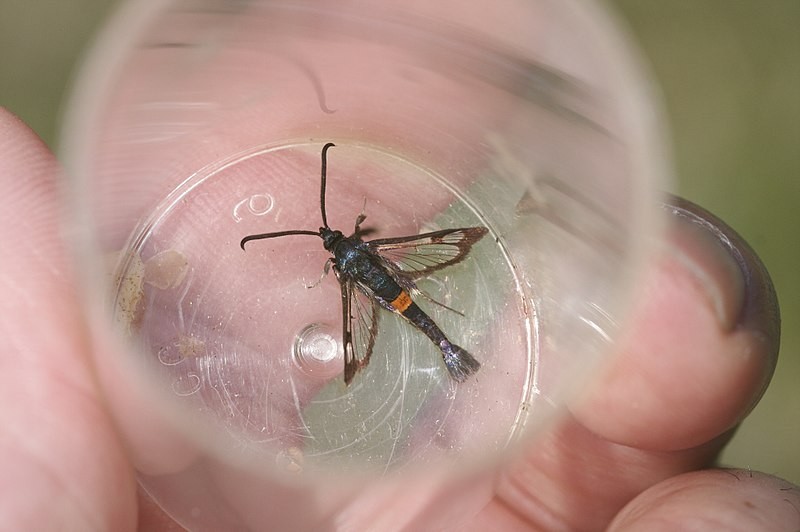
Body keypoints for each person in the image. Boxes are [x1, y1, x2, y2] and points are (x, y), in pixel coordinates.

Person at [0, 106, 795, 531]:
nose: (336, 240)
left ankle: (446, 349)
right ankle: (450, 349)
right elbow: (369, 259)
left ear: (341, 244)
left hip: (393, 293)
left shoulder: (348, 267)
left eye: (335, 238)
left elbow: (352, 265)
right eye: (337, 241)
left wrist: (350, 267)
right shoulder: (363, 257)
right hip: (403, 288)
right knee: (418, 296)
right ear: (348, 246)